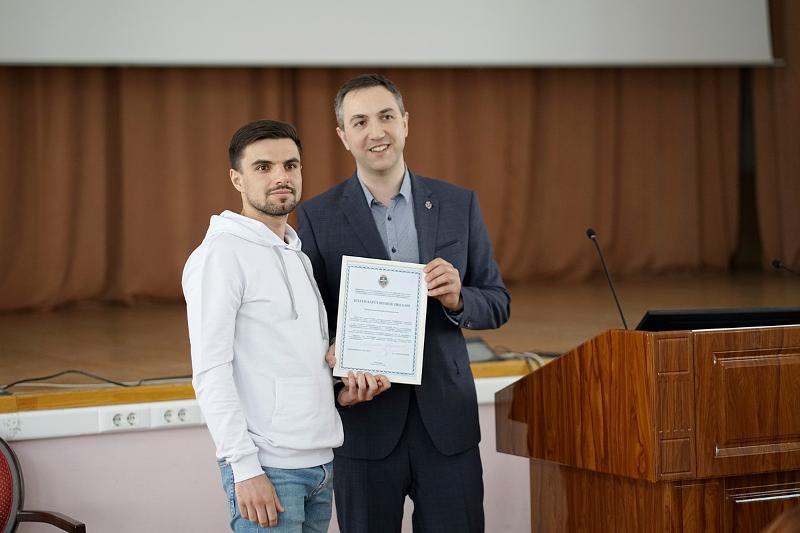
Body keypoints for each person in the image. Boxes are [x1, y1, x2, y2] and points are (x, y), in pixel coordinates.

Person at [297, 74, 511, 532]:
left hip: (448, 426)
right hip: (365, 425)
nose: (376, 132)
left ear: (406, 123)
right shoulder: (316, 216)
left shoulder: (458, 203)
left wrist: (459, 298)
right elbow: (310, 325)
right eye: (360, 122)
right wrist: (337, 371)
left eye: (386, 116)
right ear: (343, 136)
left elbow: (497, 301)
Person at [182, 119, 389, 532]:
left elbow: (290, 357)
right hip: (269, 471)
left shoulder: (296, 254)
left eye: (290, 165)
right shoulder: (221, 255)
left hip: (320, 464)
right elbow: (210, 371)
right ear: (236, 179)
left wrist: (341, 393)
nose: (281, 177)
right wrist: (244, 469)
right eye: (263, 167)